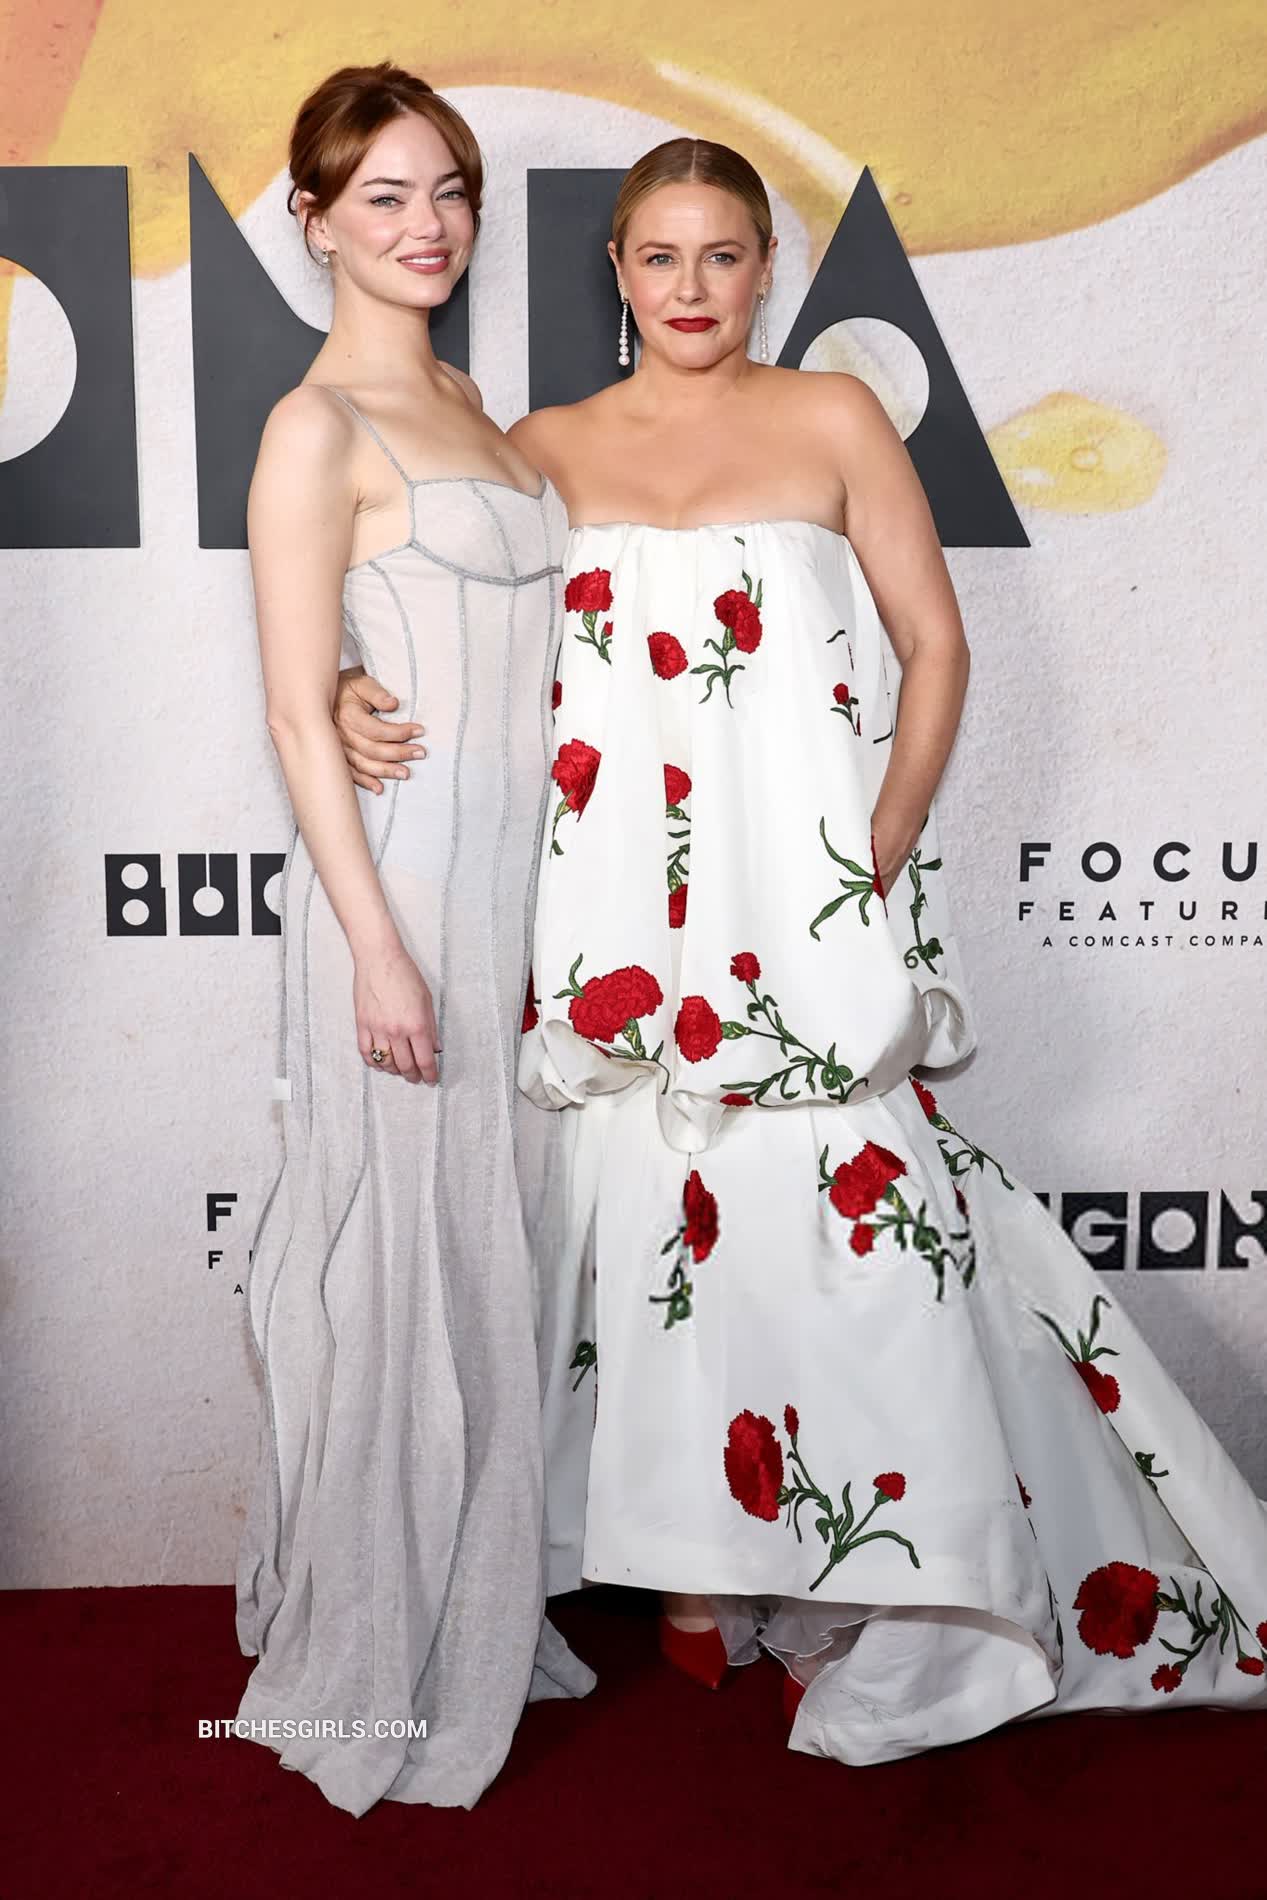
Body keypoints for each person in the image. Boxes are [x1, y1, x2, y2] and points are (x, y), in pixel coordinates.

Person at [333, 136, 1267, 1766]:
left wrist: (874, 853)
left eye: (723, 255)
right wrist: (353, 687)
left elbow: (935, 643)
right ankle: (695, 1576)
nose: (691, 288)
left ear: (767, 268)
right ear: (617, 268)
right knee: (641, 1221)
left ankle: (893, 1574)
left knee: (851, 1235)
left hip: (800, 926)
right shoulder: (544, 448)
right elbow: (456, 641)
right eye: (660, 256)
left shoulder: (835, 419)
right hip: (621, 923)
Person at [234, 62, 594, 1819]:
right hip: (399, 902)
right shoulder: (314, 430)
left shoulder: (468, 400)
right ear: (314, 222)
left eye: (448, 189)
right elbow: (296, 710)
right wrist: (377, 952)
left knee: (487, 1259)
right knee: (392, 1275)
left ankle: (476, 1603)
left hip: (519, 904)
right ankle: (374, 1654)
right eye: (382, 194)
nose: (427, 223)